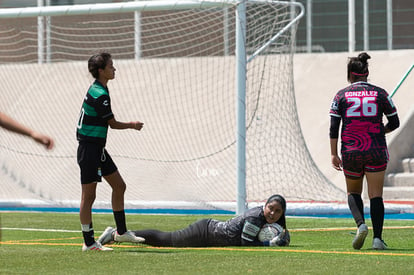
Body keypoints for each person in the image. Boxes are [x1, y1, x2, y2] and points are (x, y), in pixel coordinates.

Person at [329, 52, 400, 250]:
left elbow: (334, 127)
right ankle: (378, 239)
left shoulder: (340, 95)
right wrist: (380, 130)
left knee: (353, 192)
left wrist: (333, 154)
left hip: (351, 149)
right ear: (367, 73)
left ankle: (361, 225)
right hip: (375, 147)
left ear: (350, 76)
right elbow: (395, 122)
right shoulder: (381, 93)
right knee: (375, 195)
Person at [76, 52, 145, 251]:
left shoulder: (100, 89)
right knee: (88, 197)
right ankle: (89, 243)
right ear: (101, 70)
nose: (114, 69)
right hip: (89, 149)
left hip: (98, 149)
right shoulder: (100, 94)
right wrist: (132, 125)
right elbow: (112, 124)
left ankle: (120, 232)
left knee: (119, 186)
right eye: (111, 66)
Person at [97, 194, 290, 247]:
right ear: (264, 206)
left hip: (208, 231)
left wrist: (282, 237)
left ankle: (117, 234)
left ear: (282, 214)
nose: (272, 213)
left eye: (277, 211)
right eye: (270, 208)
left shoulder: (267, 218)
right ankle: (115, 234)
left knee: (166, 239)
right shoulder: (255, 217)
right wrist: (268, 244)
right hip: (204, 233)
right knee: (166, 240)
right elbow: (245, 242)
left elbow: (281, 232)